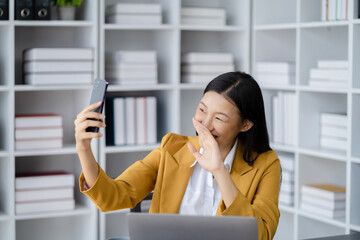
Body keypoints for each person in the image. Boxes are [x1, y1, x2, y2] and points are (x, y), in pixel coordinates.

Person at [74, 71, 281, 240]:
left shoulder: (266, 164)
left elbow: (260, 236)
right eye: (202, 110)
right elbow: (112, 198)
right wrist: (84, 148)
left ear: (245, 124)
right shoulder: (172, 148)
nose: (205, 125)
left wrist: (219, 171)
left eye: (219, 118)